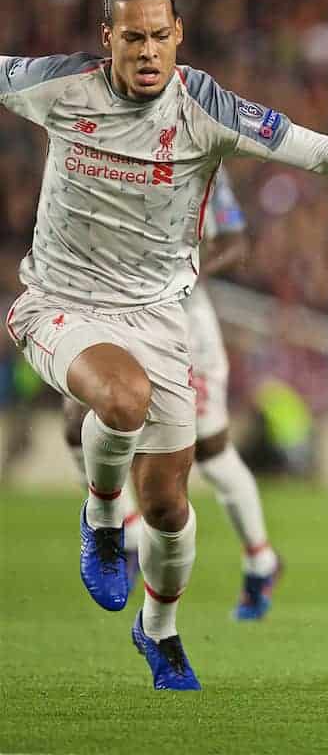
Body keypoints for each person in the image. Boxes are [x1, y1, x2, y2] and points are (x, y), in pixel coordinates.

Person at [1, 0, 328, 691]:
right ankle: (104, 518)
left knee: (172, 506)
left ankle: (159, 630)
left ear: (180, 38)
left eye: (159, 37)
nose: (146, 51)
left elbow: (324, 152)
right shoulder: (57, 85)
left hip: (159, 316)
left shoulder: (205, 108)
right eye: (131, 37)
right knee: (121, 398)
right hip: (60, 302)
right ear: (106, 38)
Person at [61, 166, 282, 621]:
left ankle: (261, 559)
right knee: (75, 418)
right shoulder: (105, 154)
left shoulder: (199, 163)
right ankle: (128, 532)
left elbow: (235, 243)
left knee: (212, 453)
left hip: (184, 327)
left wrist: (189, 271)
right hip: (116, 314)